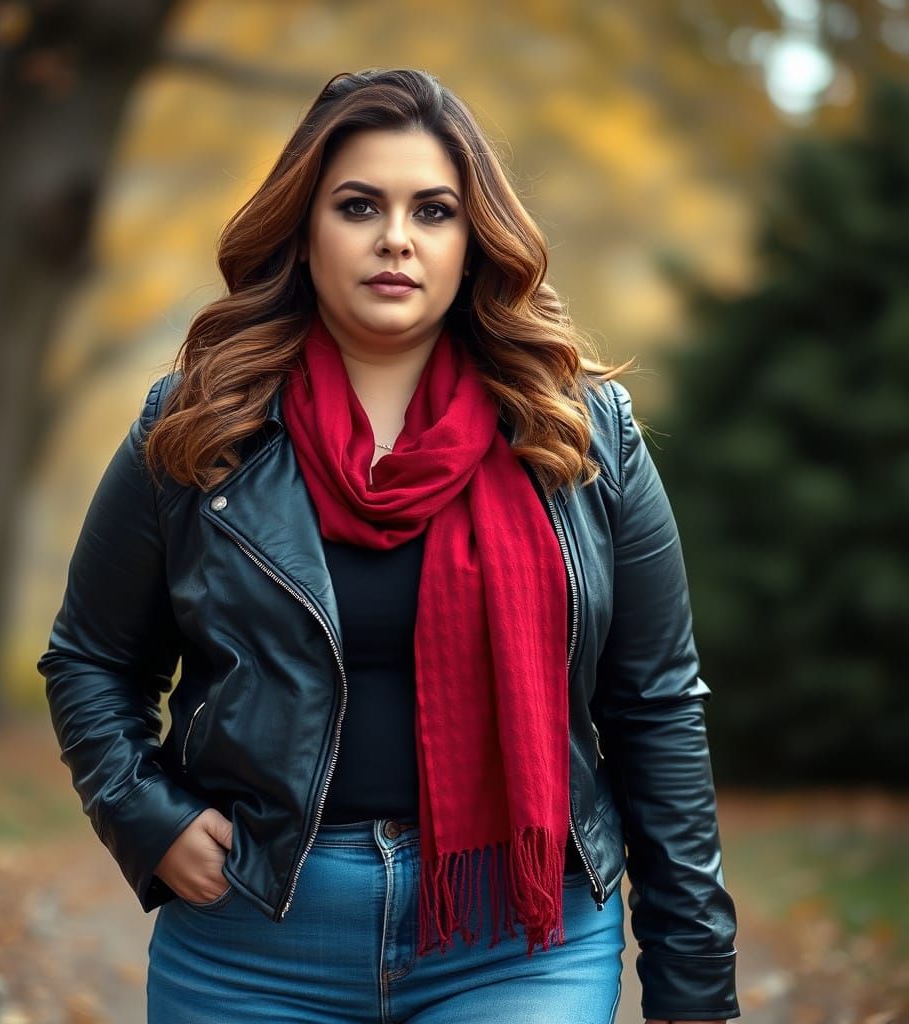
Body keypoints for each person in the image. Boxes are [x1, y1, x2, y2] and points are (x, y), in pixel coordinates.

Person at [38, 67, 740, 1024]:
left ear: (473, 239)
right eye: (359, 206)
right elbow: (91, 658)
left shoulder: (579, 433)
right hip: (255, 933)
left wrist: (694, 987)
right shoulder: (199, 425)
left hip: (520, 937)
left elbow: (655, 706)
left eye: (434, 210)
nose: (396, 239)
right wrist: (145, 816)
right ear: (304, 230)